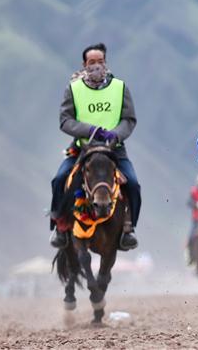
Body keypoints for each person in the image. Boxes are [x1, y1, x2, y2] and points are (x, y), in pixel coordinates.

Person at [49, 43, 141, 251]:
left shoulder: (120, 88)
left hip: (114, 150)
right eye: (92, 62)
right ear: (84, 65)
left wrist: (115, 134)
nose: (96, 66)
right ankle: (60, 226)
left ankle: (129, 229)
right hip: (82, 149)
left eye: (100, 62)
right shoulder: (73, 89)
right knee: (60, 179)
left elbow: (129, 119)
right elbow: (65, 120)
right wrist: (90, 130)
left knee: (133, 184)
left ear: (105, 63)